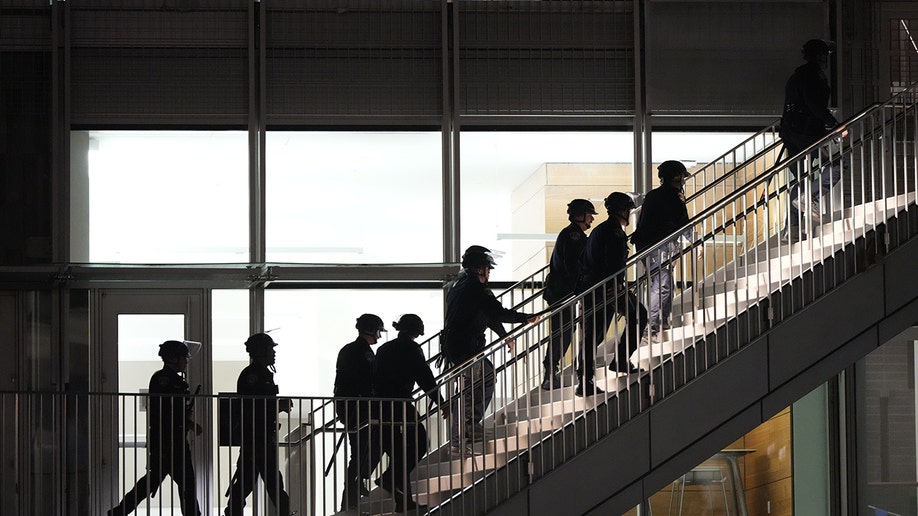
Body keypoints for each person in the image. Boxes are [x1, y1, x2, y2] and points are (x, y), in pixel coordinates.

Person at [442, 247, 539, 456]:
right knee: (467, 394)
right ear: (479, 269)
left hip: (461, 345)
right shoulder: (474, 288)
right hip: (466, 348)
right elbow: (496, 312)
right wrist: (525, 317)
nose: (489, 272)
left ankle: (471, 427)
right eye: (487, 268)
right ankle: (458, 443)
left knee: (487, 376)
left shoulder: (460, 285)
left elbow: (488, 316)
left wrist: (505, 336)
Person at [108, 341, 202, 516]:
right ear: (174, 358)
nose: (186, 361)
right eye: (184, 357)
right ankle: (118, 512)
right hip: (166, 443)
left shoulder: (176, 380)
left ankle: (118, 512)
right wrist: (187, 423)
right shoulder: (163, 379)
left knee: (180, 484)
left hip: (176, 441)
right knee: (158, 483)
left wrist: (187, 422)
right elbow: (167, 412)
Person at [373, 314, 449, 512]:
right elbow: (425, 377)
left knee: (400, 453)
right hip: (400, 404)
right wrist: (440, 402)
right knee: (419, 442)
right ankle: (391, 480)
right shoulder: (412, 349)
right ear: (417, 330)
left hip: (380, 406)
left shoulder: (383, 349)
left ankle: (403, 500)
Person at [576, 193, 648, 396]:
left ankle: (586, 380)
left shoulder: (601, 230)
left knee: (593, 336)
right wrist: (616, 284)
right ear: (622, 210)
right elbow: (613, 261)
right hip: (608, 289)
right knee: (638, 316)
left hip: (594, 289)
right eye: (628, 209)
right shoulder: (614, 233)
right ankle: (620, 361)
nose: (629, 213)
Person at [780, 38, 846, 242]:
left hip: (791, 131)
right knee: (837, 166)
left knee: (800, 179)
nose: (827, 59)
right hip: (807, 131)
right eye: (825, 55)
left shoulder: (796, 76)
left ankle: (792, 227)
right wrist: (835, 125)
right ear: (820, 57)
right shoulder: (813, 76)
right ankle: (811, 197)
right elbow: (814, 104)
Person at [224, 333, 292, 516]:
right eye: (270, 349)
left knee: (249, 481)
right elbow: (255, 406)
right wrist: (279, 406)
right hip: (256, 437)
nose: (273, 353)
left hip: (260, 437)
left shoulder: (261, 374)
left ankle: (232, 512)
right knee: (271, 482)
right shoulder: (252, 375)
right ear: (261, 351)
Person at [631, 161, 692, 344]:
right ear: (676, 177)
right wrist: (695, 240)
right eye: (682, 176)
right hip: (658, 246)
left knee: (666, 285)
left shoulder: (654, 195)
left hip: (649, 245)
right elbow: (683, 222)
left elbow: (644, 226)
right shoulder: (674, 196)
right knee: (662, 286)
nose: (683, 180)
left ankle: (661, 323)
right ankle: (652, 328)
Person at [541, 198, 597, 391]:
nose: (591, 219)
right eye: (589, 215)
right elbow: (573, 266)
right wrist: (583, 284)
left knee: (564, 330)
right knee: (562, 331)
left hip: (562, 291)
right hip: (562, 292)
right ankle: (550, 372)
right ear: (579, 215)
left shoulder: (573, 234)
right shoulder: (574, 235)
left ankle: (551, 372)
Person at [334, 314, 385, 511]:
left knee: (360, 452)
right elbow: (368, 381)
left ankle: (352, 495)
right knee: (362, 451)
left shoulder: (349, 349)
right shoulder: (363, 352)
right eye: (378, 331)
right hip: (359, 409)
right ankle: (352, 495)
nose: (379, 336)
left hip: (351, 408)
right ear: (372, 330)